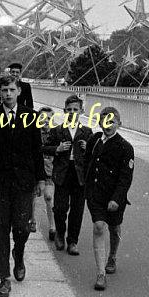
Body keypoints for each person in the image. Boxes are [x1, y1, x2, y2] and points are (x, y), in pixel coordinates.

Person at [0, 74, 45, 297]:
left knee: (22, 228)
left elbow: (37, 150)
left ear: (18, 91)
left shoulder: (30, 116)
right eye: (4, 90)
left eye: (11, 90)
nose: (7, 94)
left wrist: (40, 179)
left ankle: (19, 253)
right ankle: (4, 277)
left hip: (24, 183)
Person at [84, 106, 134, 291]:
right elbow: (87, 163)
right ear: (99, 123)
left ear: (119, 124)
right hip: (96, 194)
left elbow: (125, 177)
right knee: (98, 227)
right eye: (105, 121)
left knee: (114, 228)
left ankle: (112, 255)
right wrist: (86, 188)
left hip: (114, 198)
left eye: (112, 121)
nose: (108, 125)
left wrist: (117, 198)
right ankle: (100, 273)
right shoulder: (94, 141)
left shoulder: (126, 147)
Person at [44, 95, 92, 255]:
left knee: (77, 210)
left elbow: (93, 155)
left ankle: (73, 241)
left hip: (79, 175)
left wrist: (88, 149)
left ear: (81, 112)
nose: (72, 113)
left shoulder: (87, 132)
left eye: (75, 110)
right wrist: (56, 149)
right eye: (69, 110)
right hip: (62, 173)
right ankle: (60, 233)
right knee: (60, 208)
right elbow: (44, 148)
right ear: (64, 111)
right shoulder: (57, 131)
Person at [31, 106, 56, 238]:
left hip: (48, 170)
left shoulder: (55, 133)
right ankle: (32, 220)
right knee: (32, 196)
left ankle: (52, 226)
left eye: (48, 118)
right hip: (34, 169)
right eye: (42, 118)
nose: (45, 121)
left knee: (48, 197)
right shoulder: (33, 132)